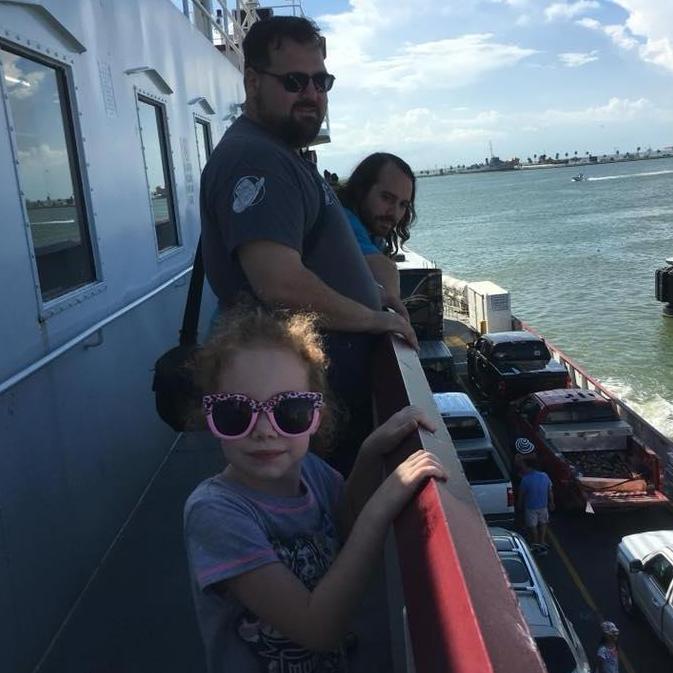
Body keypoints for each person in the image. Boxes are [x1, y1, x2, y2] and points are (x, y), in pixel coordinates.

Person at [199, 16, 417, 475]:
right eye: (295, 81)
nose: (312, 95)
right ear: (253, 81)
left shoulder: (280, 153)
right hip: (295, 411)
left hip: (312, 404)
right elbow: (280, 283)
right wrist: (375, 319)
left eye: (321, 81)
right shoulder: (256, 158)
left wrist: (375, 296)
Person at [183, 306, 446, 673]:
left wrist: (372, 451)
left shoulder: (310, 470)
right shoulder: (216, 513)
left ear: (315, 418)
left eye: (289, 411)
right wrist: (386, 499)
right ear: (210, 419)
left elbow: (344, 521)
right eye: (236, 413)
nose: (263, 430)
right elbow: (317, 629)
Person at [337, 153, 417, 321]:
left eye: (403, 205)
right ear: (361, 190)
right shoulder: (342, 220)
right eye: (386, 198)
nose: (394, 213)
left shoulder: (372, 229)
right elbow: (385, 276)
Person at [517, 456, 554, 554]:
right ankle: (542, 542)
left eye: (523, 466)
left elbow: (521, 495)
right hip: (543, 506)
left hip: (530, 507)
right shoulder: (545, 476)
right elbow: (549, 490)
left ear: (528, 467)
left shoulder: (525, 480)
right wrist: (551, 502)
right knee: (543, 524)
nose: (522, 467)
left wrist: (519, 506)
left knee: (532, 526)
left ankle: (536, 543)